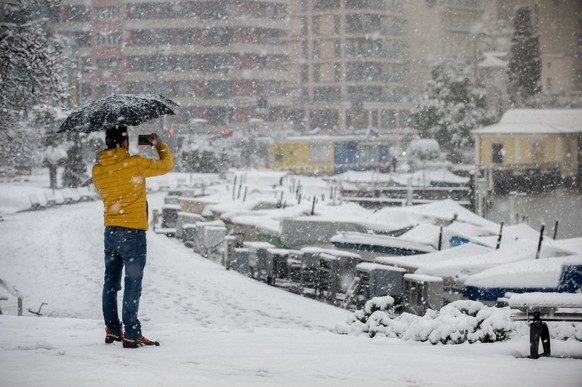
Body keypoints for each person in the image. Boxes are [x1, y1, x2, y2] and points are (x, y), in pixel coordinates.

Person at [92, 126, 173, 348]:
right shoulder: (135, 163)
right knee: (132, 283)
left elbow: (116, 181)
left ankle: (113, 329)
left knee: (110, 282)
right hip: (133, 232)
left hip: (111, 230)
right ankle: (131, 333)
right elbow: (167, 166)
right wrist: (159, 146)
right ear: (125, 142)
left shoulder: (97, 170)